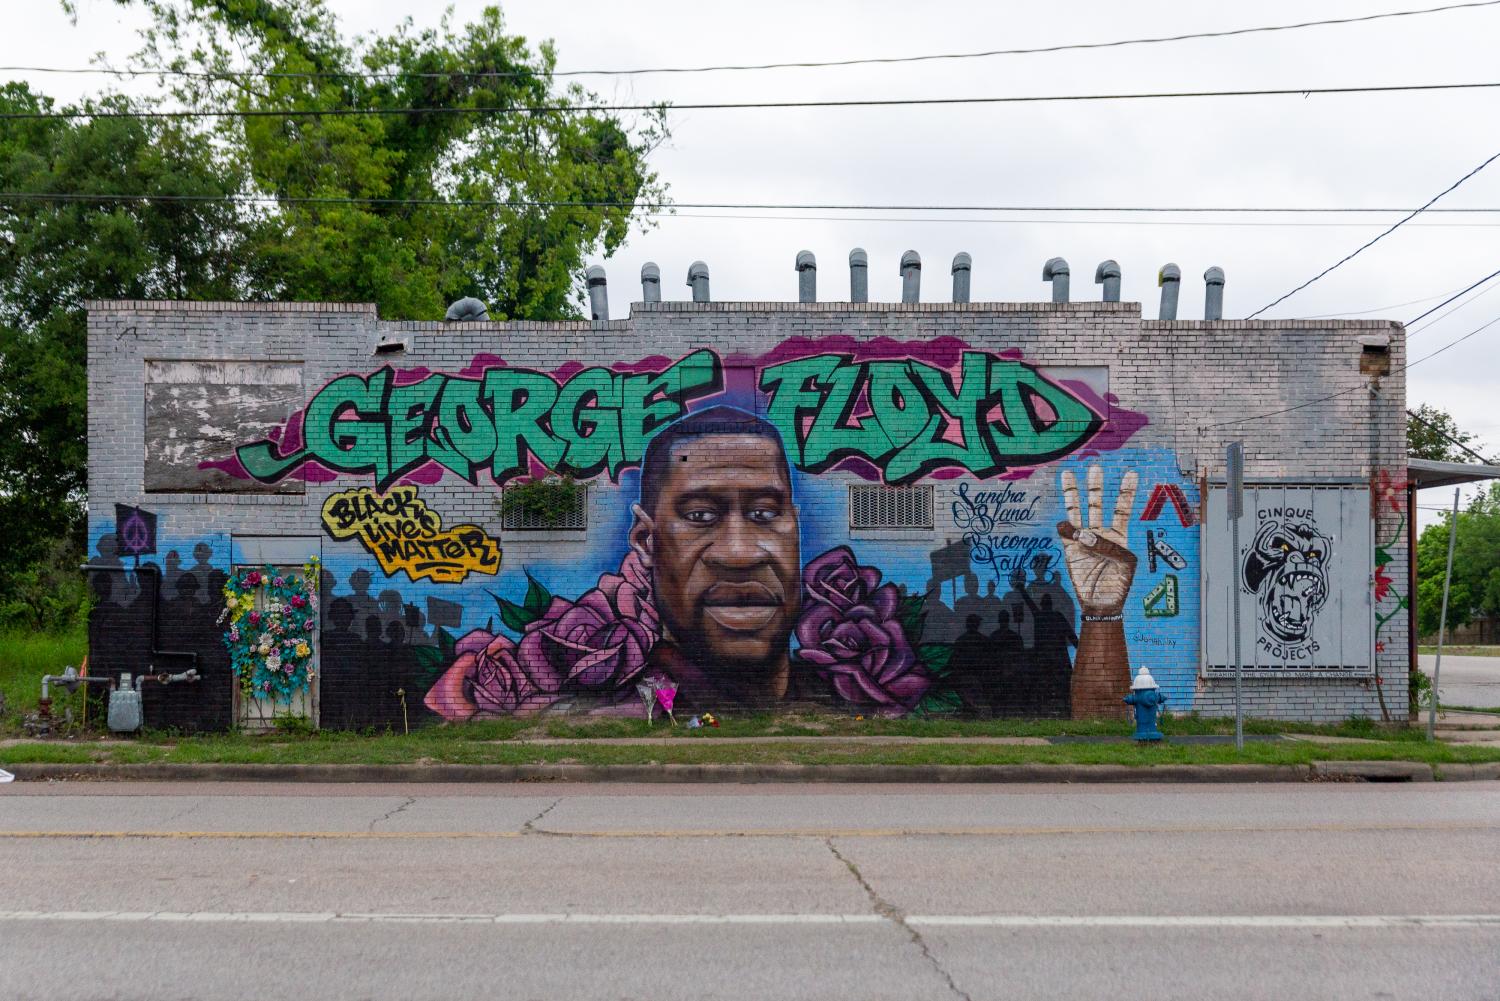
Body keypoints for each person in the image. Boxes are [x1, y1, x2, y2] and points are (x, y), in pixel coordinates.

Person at [628, 406, 814, 708]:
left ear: (795, 531)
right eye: (699, 515)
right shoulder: (607, 709)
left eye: (764, 513)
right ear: (646, 541)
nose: (739, 555)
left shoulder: (835, 697)